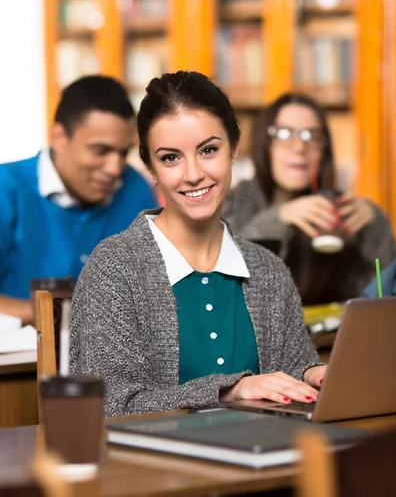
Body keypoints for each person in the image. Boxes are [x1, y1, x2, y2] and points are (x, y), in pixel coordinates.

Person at [70, 71, 325, 418]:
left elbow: (291, 364)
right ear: (150, 166)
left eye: (208, 150)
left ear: (234, 148)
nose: (192, 174)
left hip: (266, 460)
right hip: (157, 470)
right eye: (170, 157)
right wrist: (230, 391)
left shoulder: (267, 269)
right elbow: (111, 405)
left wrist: (312, 374)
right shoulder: (115, 269)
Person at [0, 75, 158, 324]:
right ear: (59, 137)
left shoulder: (135, 189)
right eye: (101, 151)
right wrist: (64, 317)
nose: (115, 168)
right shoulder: (6, 188)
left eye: (123, 152)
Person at [223, 92, 396, 305]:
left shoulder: (334, 213)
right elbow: (227, 281)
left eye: (312, 136)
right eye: (285, 134)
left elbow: (381, 297)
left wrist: (374, 226)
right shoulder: (230, 203)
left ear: (323, 152)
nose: (299, 148)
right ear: (264, 143)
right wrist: (280, 217)